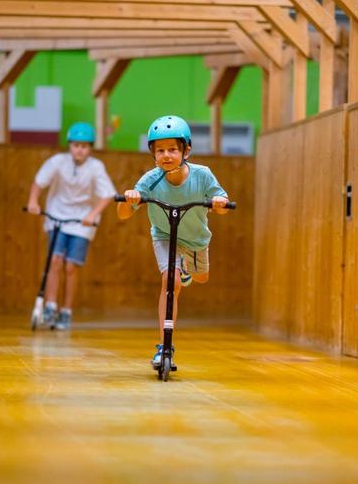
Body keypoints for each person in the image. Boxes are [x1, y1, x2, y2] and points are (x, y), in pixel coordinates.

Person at [116, 115, 230, 368]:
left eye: (172, 149)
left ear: (186, 150)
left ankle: (187, 271)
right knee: (170, 281)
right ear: (153, 154)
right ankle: (164, 346)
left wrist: (220, 203)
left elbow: (222, 205)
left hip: (196, 239)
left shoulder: (202, 175)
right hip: (165, 236)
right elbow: (123, 215)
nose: (166, 155)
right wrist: (130, 201)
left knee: (200, 278)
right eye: (160, 150)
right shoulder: (150, 180)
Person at [26, 122, 116, 330]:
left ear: (90, 148)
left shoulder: (96, 167)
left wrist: (93, 214)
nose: (79, 150)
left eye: (84, 146)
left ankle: (66, 311)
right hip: (57, 216)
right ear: (69, 145)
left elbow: (108, 194)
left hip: (82, 223)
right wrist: (33, 201)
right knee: (55, 261)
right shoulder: (58, 162)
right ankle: (50, 306)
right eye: (76, 145)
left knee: (70, 267)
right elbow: (39, 182)